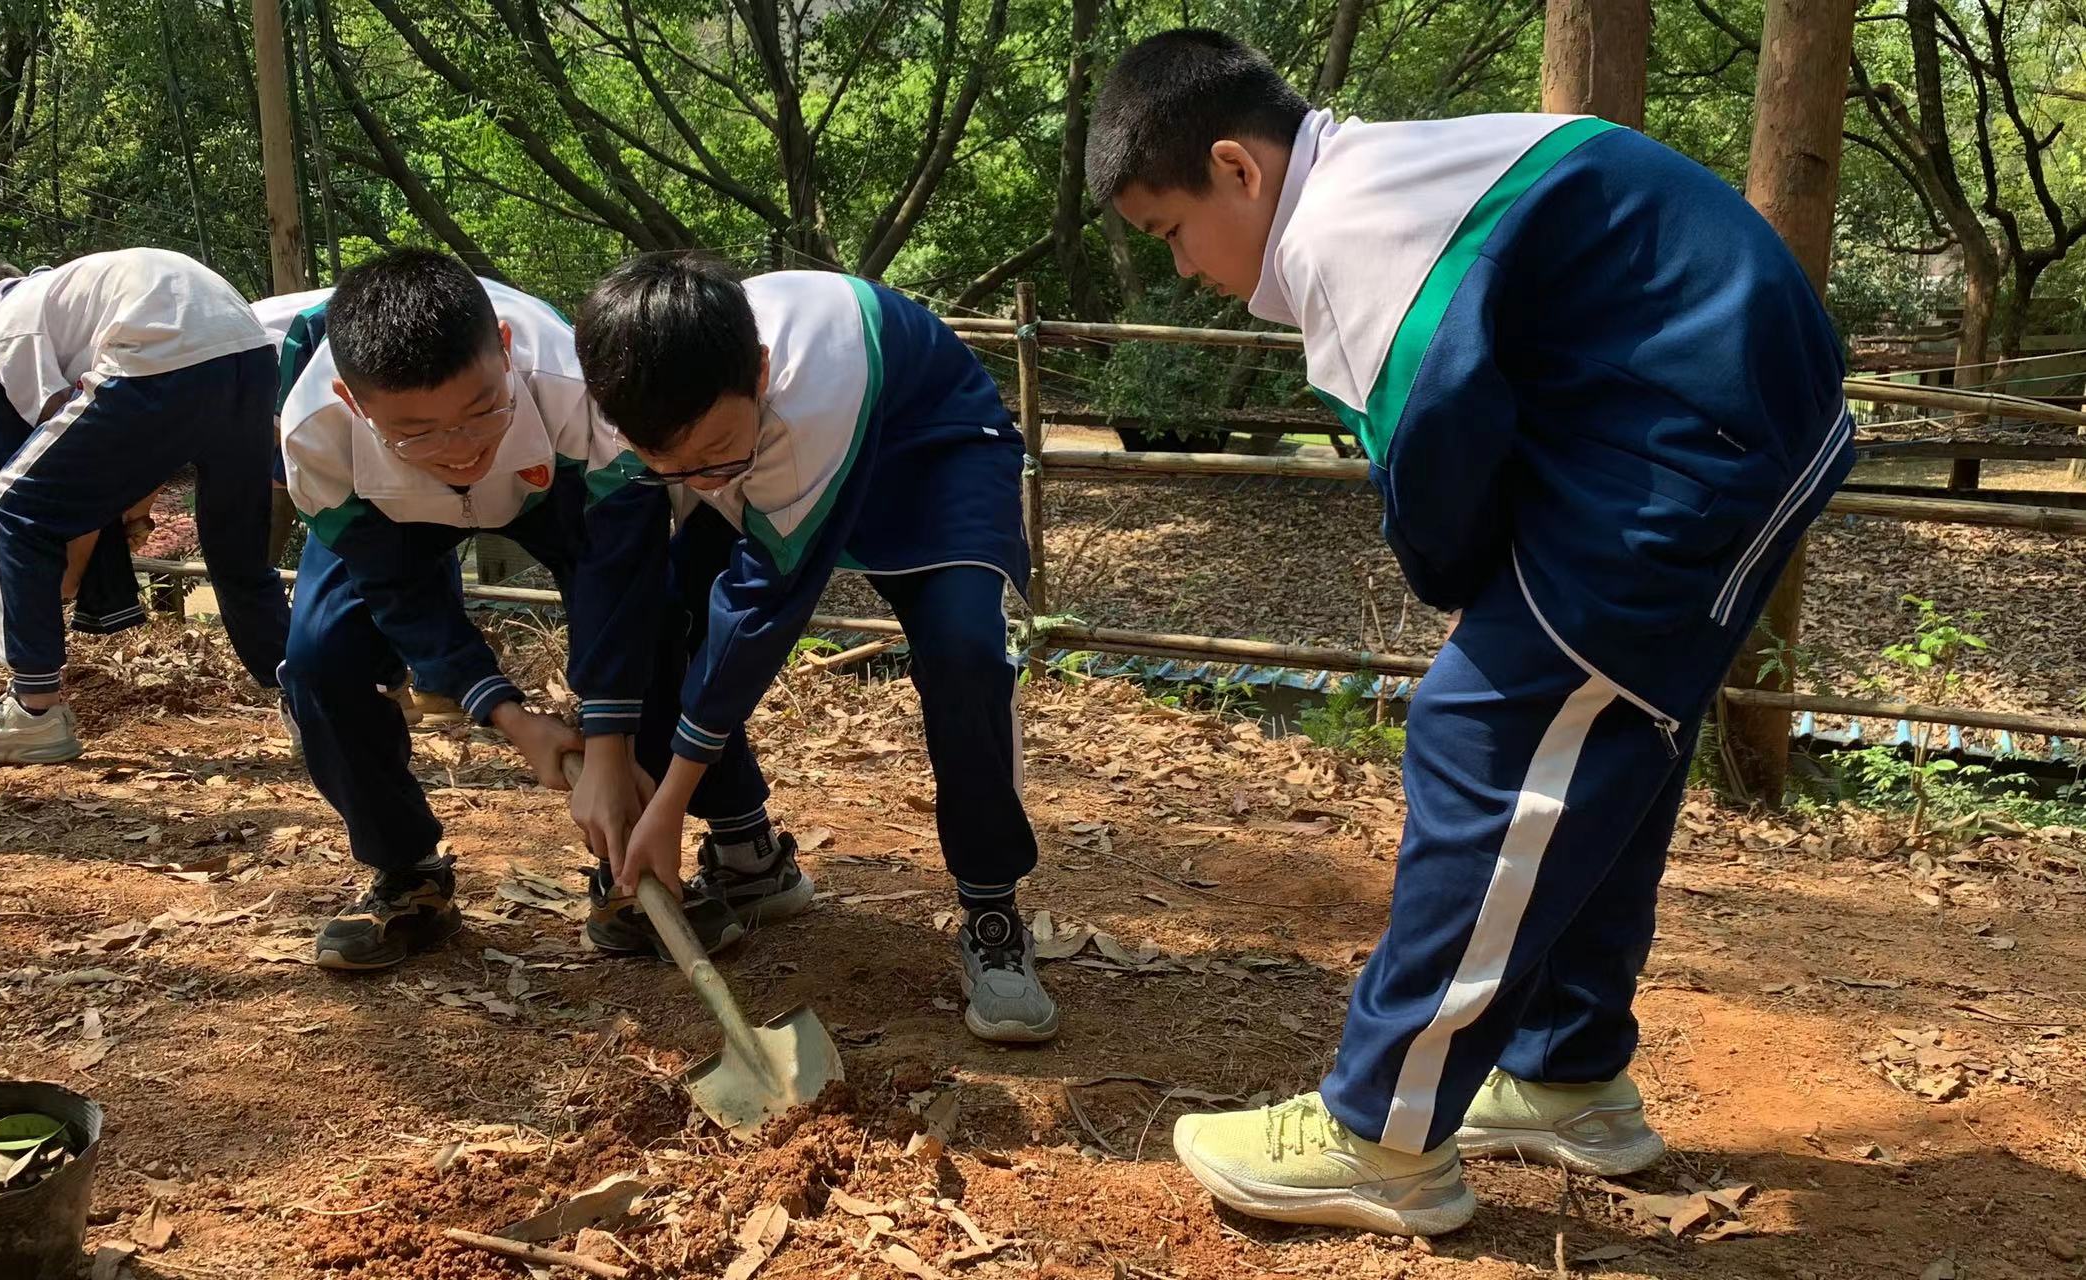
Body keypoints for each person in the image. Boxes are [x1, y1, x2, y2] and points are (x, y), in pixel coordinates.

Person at [1087, 30, 1853, 1232]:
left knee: (1481, 725)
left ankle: (1379, 1134)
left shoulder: (1341, 232)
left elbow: (1435, 484)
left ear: (1235, 167)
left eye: (1166, 231)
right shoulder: (1388, 178)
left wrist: (1470, 596)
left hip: (1686, 437)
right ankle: (1567, 1074)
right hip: (1714, 407)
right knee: (1604, 725)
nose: (1180, 267)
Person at [568, 256, 1059, 1045]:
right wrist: (605, 743)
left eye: (714, 449)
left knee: (964, 650)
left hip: (931, 457)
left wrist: (664, 802)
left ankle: (991, 909)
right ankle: (749, 856)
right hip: (769, 468)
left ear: (758, 372)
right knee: (667, 604)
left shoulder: (813, 375)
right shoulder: (625, 400)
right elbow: (614, 564)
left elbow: (763, 611)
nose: (696, 478)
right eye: (672, 466)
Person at [277, 248, 777, 971]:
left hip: (557, 491)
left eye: (482, 409)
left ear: (506, 353)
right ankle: (407, 871)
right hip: (390, 521)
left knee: (653, 618)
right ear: (355, 404)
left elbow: (619, 567)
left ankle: (668, 860)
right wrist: (509, 717)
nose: (461, 448)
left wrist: (605, 745)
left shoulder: (579, 391)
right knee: (323, 656)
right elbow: (398, 591)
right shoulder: (315, 435)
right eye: (417, 430)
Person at [0, 249, 292, 765]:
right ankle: (315, 703)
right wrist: (128, 514)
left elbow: (61, 469)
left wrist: (66, 574)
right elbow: (111, 457)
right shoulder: (67, 291)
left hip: (162, 358)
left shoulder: (4, 327)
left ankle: (34, 712)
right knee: (238, 555)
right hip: (247, 356)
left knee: (9, 503)